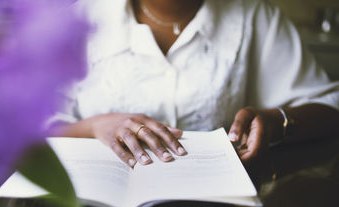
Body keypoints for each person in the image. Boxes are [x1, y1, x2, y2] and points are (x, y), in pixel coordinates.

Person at [50, 0, 339, 168]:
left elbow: (329, 107)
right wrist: (94, 126)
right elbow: (23, 129)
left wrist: (277, 121)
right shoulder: (79, 18)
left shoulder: (253, 14)